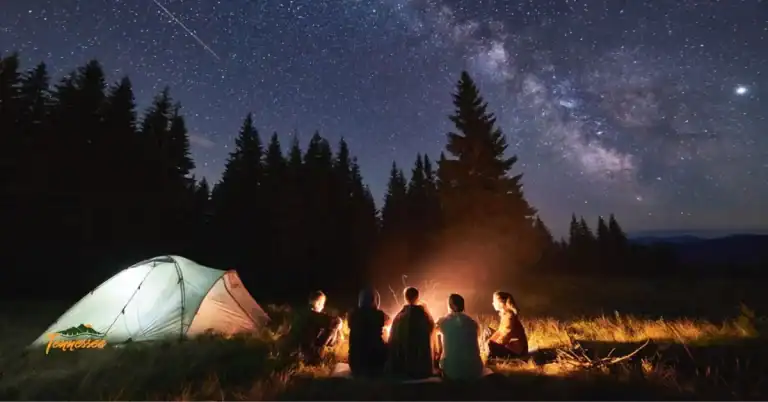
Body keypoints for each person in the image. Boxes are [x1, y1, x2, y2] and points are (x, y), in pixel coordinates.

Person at [387, 286, 436, 380]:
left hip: (403, 363)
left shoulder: (400, 316)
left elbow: (393, 336)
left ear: (405, 298)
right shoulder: (423, 314)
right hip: (420, 363)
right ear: (417, 297)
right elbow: (431, 327)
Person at [435, 294, 484, 381]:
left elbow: (432, 330)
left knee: (435, 336)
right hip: (475, 369)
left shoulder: (443, 321)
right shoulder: (472, 322)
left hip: (452, 371)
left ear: (451, 305)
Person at [347, 288, 390, 378]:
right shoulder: (378, 314)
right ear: (375, 300)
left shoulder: (352, 314)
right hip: (373, 364)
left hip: (355, 363)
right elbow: (389, 321)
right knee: (391, 344)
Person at [291, 290, 343, 364]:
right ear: (318, 303)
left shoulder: (302, 312)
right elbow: (336, 321)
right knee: (333, 328)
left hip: (296, 347)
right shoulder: (314, 315)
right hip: (307, 352)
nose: (322, 307)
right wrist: (339, 324)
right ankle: (321, 351)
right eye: (322, 304)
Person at [487, 290, 528, 360]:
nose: (493, 303)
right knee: (488, 332)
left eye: (494, 301)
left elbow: (506, 335)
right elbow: (500, 332)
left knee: (490, 344)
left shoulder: (509, 316)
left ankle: (492, 360)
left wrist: (493, 343)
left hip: (517, 351)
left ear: (501, 303)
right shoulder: (505, 315)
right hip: (513, 347)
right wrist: (491, 338)